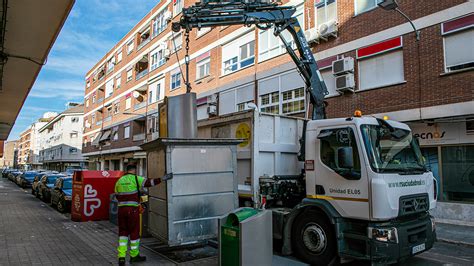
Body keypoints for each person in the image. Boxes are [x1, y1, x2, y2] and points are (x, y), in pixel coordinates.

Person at [115, 164, 173, 265]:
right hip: (132, 210)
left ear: (126, 170)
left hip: (121, 210)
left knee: (123, 233)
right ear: (134, 170)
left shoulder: (119, 181)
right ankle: (134, 256)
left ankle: (121, 257)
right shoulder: (136, 179)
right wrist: (163, 178)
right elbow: (150, 182)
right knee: (134, 232)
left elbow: (117, 195)